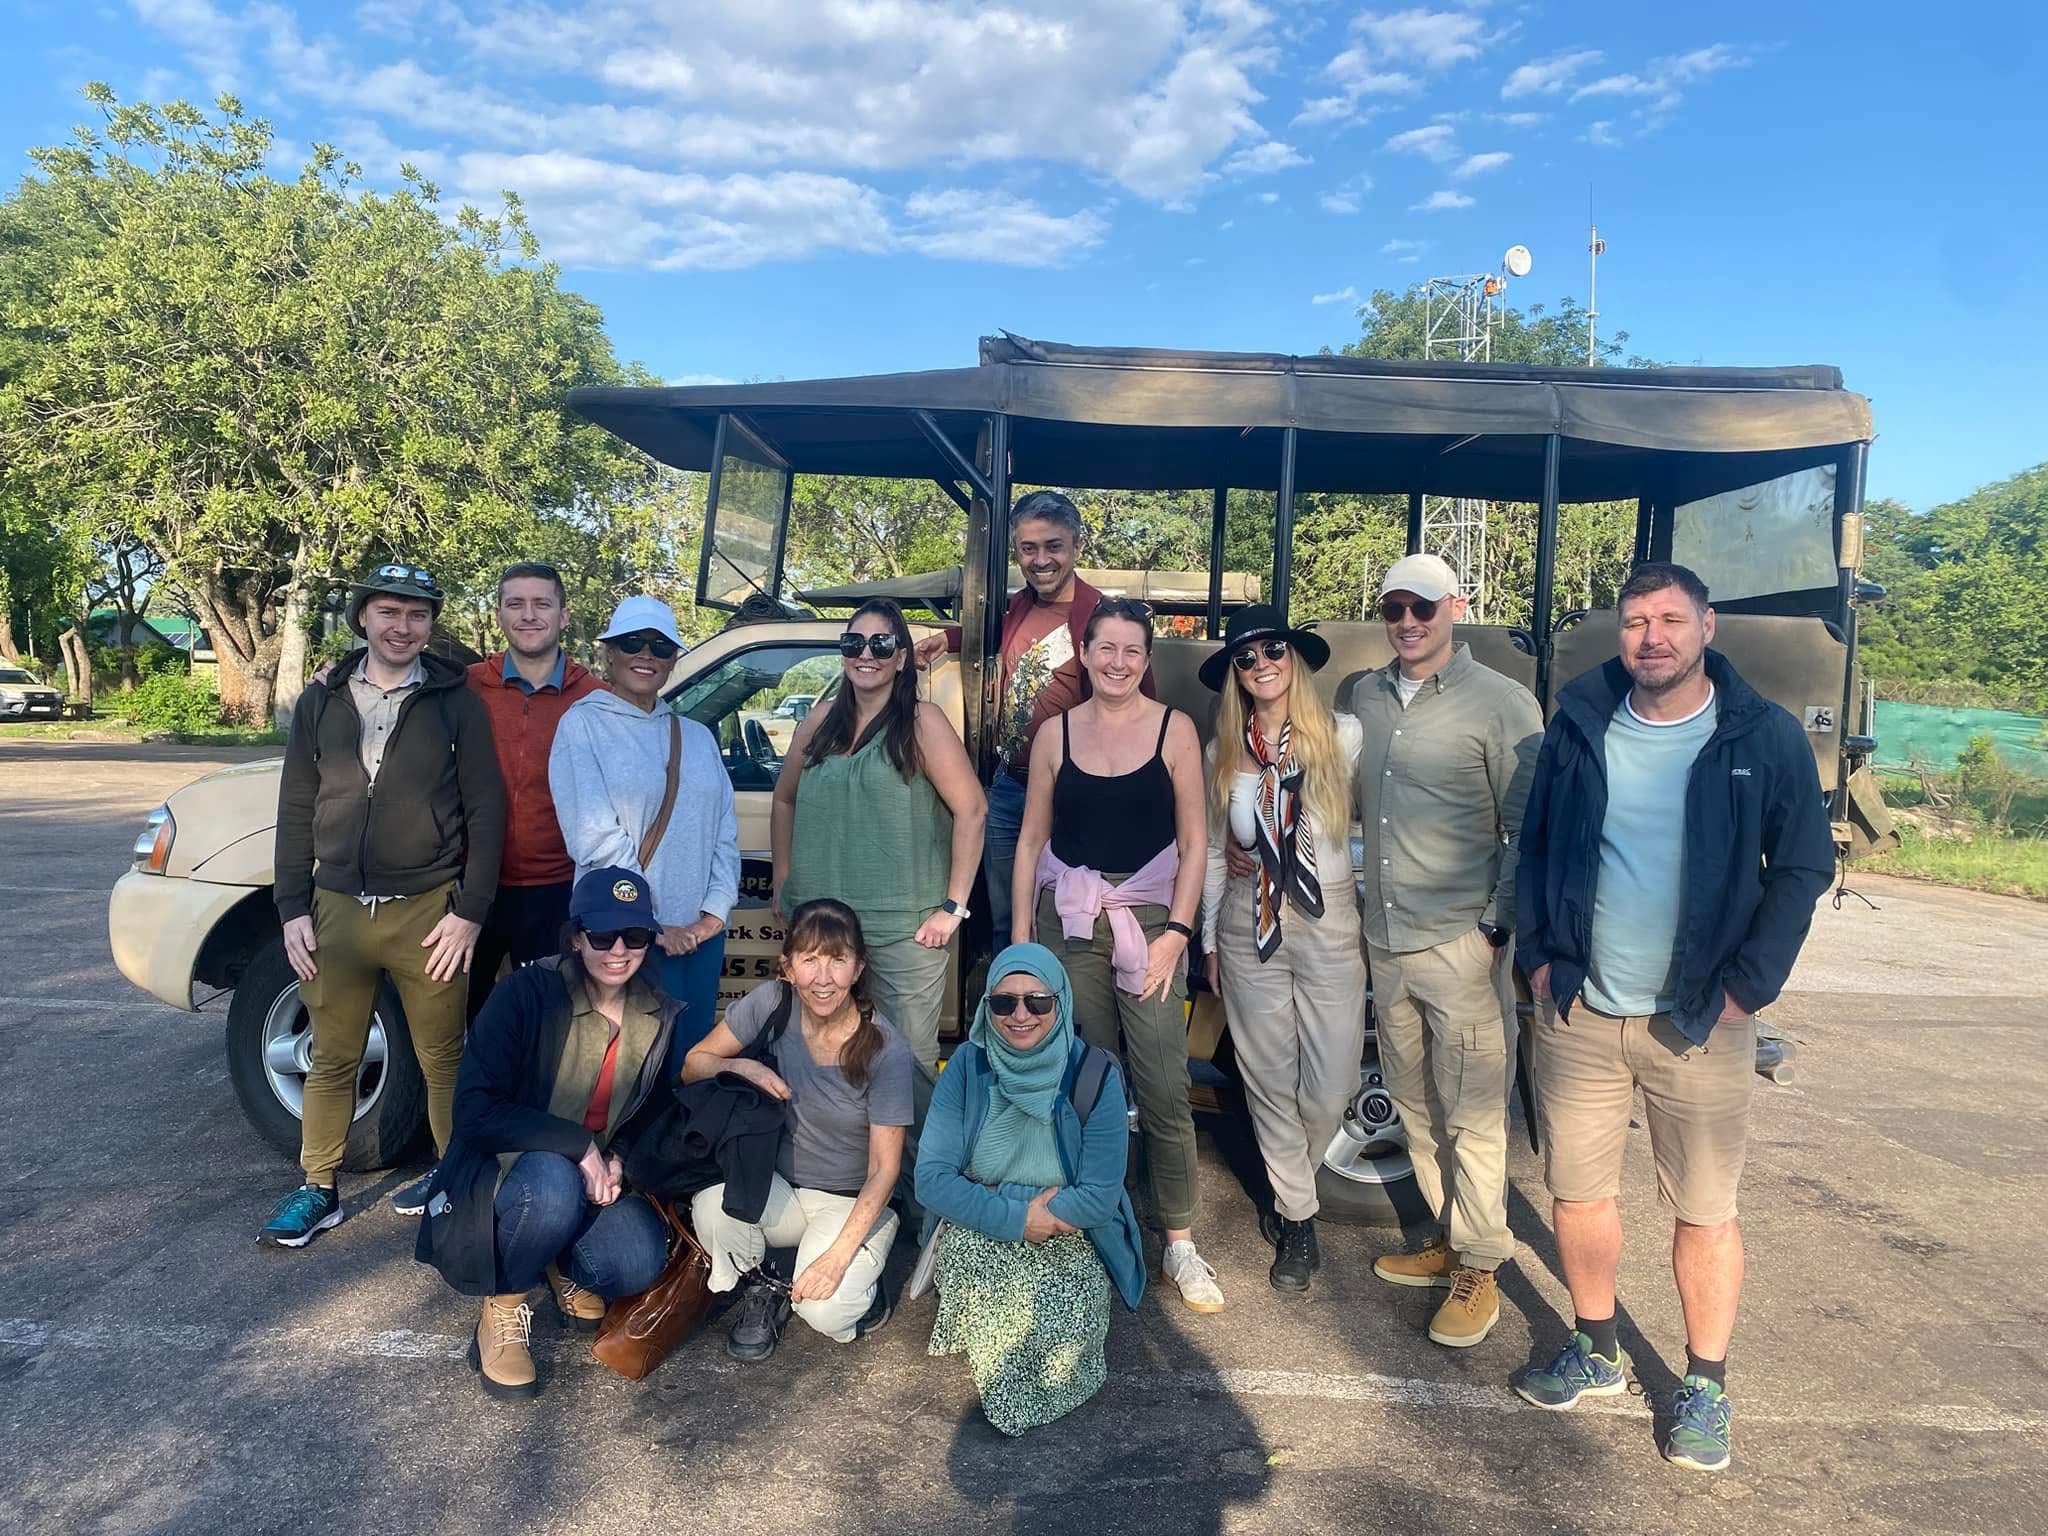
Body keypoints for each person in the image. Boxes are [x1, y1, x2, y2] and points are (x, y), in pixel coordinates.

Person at [1513, 562, 1833, 1473]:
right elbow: (1536, 846)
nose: (1651, 637)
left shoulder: (1760, 735)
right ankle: (1598, 1348)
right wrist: (1539, 956)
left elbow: (1804, 868)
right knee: (1578, 1195)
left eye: (1670, 620)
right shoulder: (1582, 723)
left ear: (1707, 628)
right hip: (1580, 1011)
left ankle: (1705, 1385)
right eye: (1634, 622)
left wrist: (1746, 989)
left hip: (1697, 1019)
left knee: (1703, 1210)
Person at [261, 562, 504, 1248]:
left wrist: (469, 910)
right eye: (390, 612)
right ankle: (319, 1189)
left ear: (431, 625)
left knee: (441, 1057)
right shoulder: (322, 700)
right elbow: (296, 806)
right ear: (363, 616)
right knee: (333, 1056)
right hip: (335, 907)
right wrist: (291, 906)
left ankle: (456, 1184)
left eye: (418, 615)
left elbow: (487, 812)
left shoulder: (455, 702)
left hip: (427, 910)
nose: (403, 627)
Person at [1353, 553, 1543, 1348]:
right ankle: (1448, 1237)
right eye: (1395, 607)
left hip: (1458, 941)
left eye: (1423, 608)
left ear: (1455, 607)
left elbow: (1526, 827)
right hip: (1386, 939)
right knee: (1416, 1103)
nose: (1407, 621)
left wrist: (1492, 928)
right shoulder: (1362, 695)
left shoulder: (1504, 704)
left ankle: (1481, 1266)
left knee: (1472, 1114)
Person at [1014, 597, 1221, 1312]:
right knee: (1086, 1085)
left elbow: (1195, 843)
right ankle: (1094, 1221)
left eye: (1133, 651)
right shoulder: (1054, 736)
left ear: (1147, 660)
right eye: (1106, 648)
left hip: (1152, 919)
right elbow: (1030, 842)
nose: (1118, 662)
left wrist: (1180, 933)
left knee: (1163, 1082)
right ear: (1086, 653)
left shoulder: (1175, 732)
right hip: (1068, 922)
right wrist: (1019, 941)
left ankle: (1181, 1244)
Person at [414, 867, 680, 1399]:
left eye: (636, 936)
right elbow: (472, 1112)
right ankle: (503, 1306)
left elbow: (651, 1110)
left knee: (638, 1260)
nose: (619, 950)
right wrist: (579, 1145)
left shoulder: (657, 1011)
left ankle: (558, 1262)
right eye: (602, 936)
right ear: (577, 936)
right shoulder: (526, 994)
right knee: (553, 1186)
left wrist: (619, 1157)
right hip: (507, 1172)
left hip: (589, 1173)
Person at [1199, 606, 1367, 1294]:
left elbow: (1370, 828)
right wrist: (1209, 936)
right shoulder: (1223, 753)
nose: (1261, 664)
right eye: (1246, 657)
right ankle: (1297, 1215)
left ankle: (1291, 1179)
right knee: (1267, 1077)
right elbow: (1215, 851)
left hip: (1327, 916)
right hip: (1250, 924)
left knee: (1332, 1083)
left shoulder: (1345, 737)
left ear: (1293, 657)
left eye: (1273, 650)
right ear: (1236, 675)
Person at [916, 943, 1146, 1435]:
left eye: (1037, 1001)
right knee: (1010, 1345)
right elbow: (931, 1180)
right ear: (986, 1008)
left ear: (1060, 1002)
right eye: (1003, 1003)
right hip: (991, 1227)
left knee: (1056, 1348)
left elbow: (1100, 1197)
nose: (1020, 1015)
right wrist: (1021, 1216)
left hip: (1071, 1231)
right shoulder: (967, 1066)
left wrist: (1004, 1197)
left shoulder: (1095, 1076)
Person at [916, 491, 1155, 939]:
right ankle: (1013, 998)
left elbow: (1142, 709)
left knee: (1067, 915)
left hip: (1073, 792)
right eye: (1028, 548)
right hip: (1010, 788)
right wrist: (947, 638)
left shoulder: (1102, 617)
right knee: (1007, 915)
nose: (1040, 559)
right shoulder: (1021, 604)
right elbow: (997, 634)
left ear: (1077, 547)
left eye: (1053, 546)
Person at [682, 899, 913, 1359]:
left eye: (837, 960)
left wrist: (837, 1259)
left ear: (858, 967)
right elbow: (693, 1065)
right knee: (711, 1209)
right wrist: (743, 1066)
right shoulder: (773, 1002)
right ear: (788, 968)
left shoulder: (886, 1048)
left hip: (850, 1200)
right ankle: (764, 1285)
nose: (823, 978)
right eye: (809, 960)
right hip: (782, 1186)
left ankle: (861, 1273)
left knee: (827, 1311)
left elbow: (884, 1170)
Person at [772, 597, 986, 1093]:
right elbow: (785, 800)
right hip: (821, 929)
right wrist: (784, 875)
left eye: (881, 643)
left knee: (905, 1066)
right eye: (854, 641)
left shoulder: (922, 722)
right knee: (819, 1057)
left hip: (904, 931)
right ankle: (832, 1169)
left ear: (902, 657)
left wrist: (953, 907)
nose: (865, 653)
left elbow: (972, 811)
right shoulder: (818, 721)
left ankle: (911, 1173)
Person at [550, 595, 739, 1071]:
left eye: (660, 646)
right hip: (625, 935)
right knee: (624, 1066)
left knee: (689, 1060)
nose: (646, 655)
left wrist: (712, 915)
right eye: (632, 642)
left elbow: (723, 830)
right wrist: (652, 921)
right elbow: (593, 836)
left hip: (697, 940)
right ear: (609, 653)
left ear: (674, 659)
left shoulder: (695, 736)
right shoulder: (583, 726)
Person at [463, 562, 601, 1026]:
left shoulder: (595, 698)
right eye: (515, 604)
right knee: (458, 1021)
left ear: (563, 615)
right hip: (470, 887)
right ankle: (457, 1101)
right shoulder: (465, 687)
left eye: (542, 604)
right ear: (499, 615)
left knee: (548, 1024)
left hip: (557, 890)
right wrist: (338, 673)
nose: (529, 615)